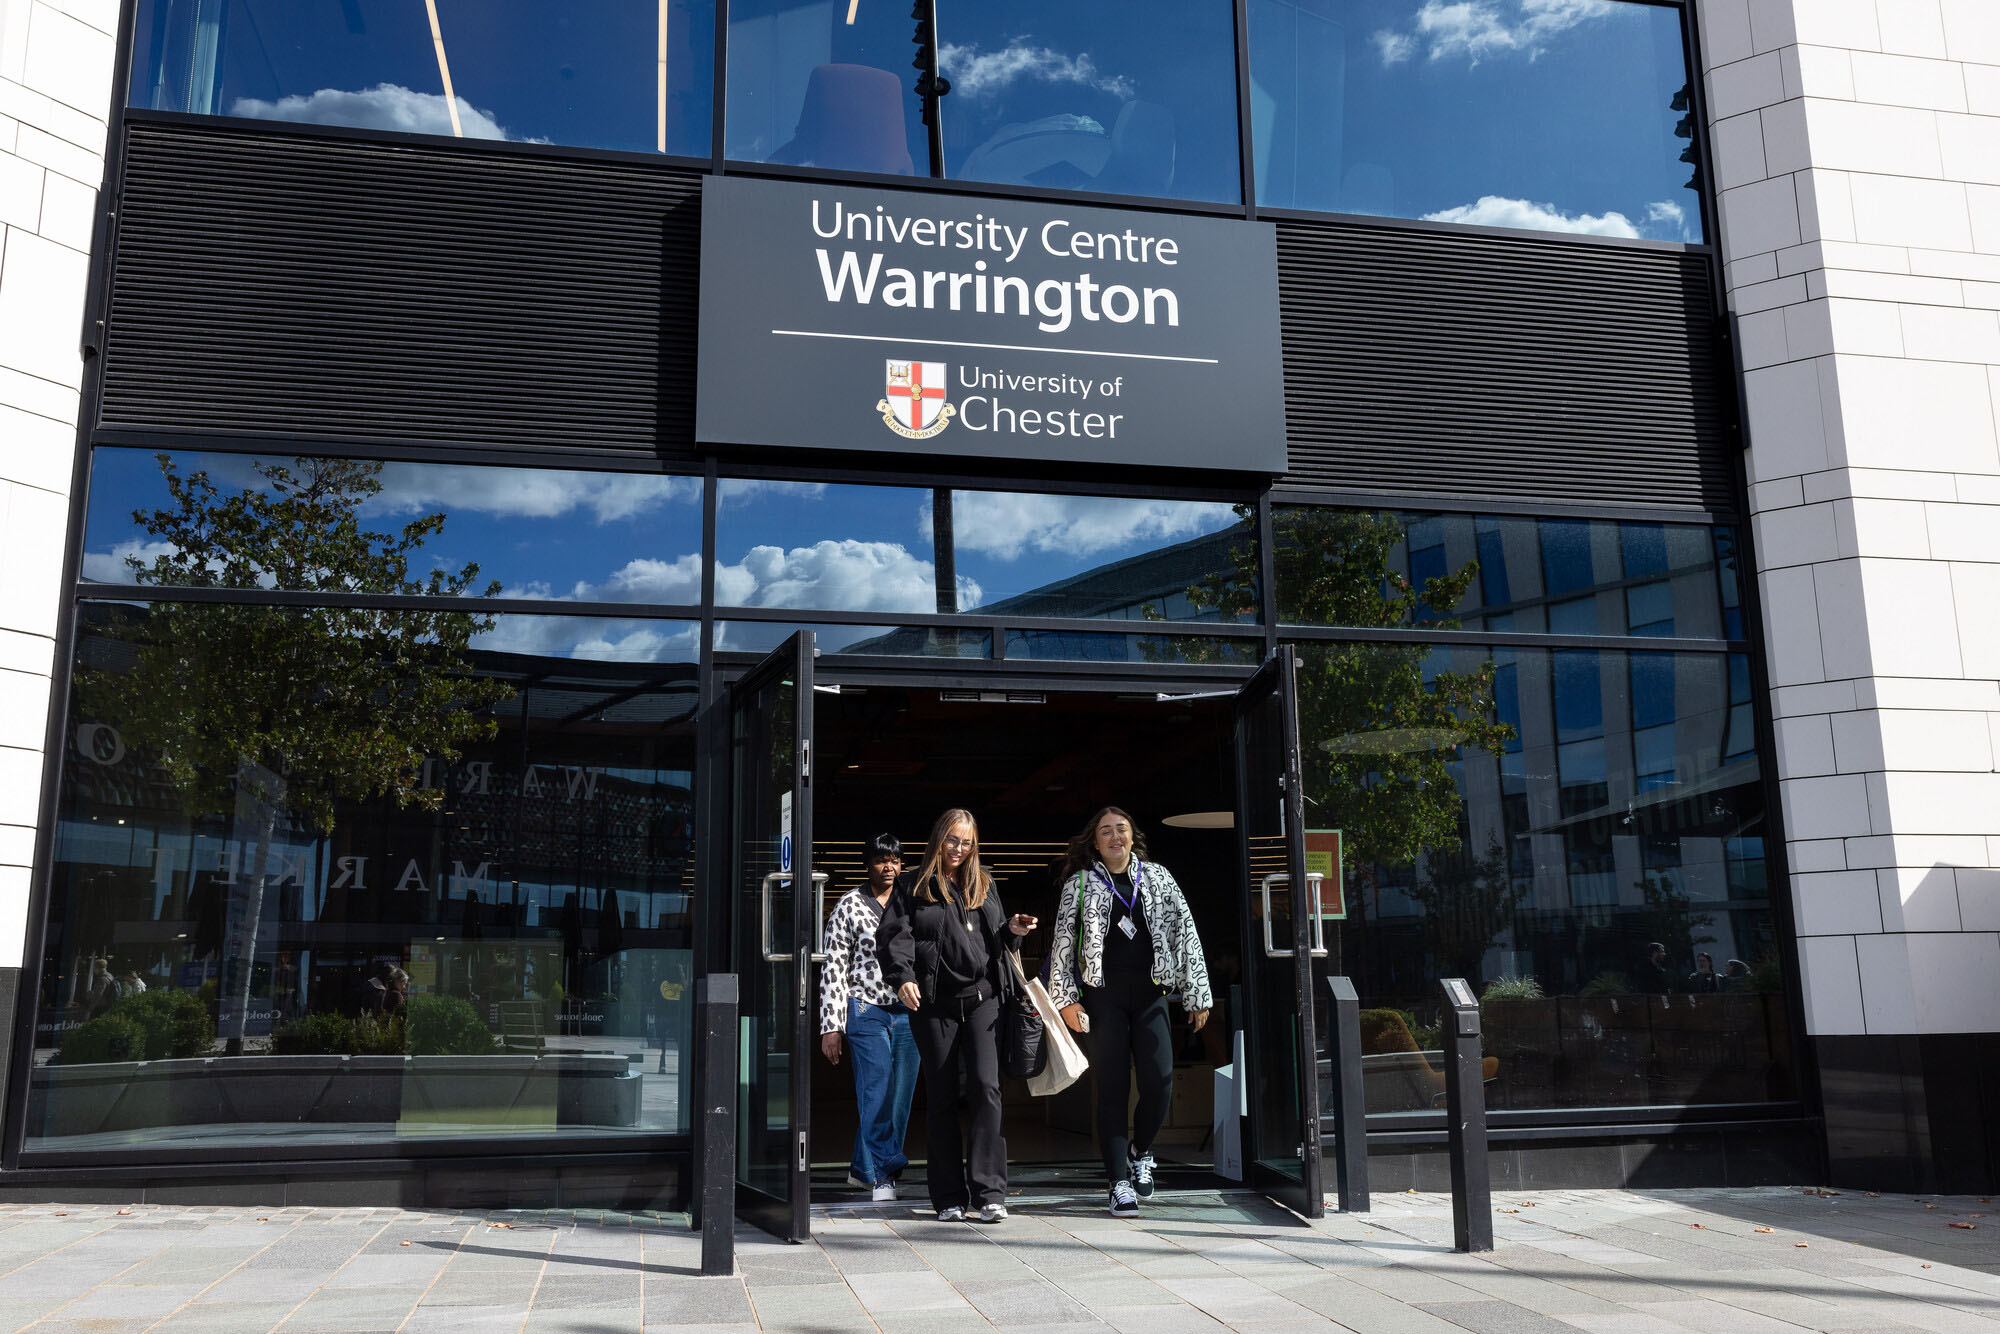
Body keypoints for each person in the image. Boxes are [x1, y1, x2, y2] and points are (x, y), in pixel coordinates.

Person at [1047, 806, 1212, 1218]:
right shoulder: (1080, 885)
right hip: (1103, 999)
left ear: (1132, 836)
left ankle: (1141, 1151)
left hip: (1151, 994)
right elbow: (1063, 945)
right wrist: (1066, 1000)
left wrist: (1198, 993)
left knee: (1160, 1083)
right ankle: (1117, 1180)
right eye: (1106, 832)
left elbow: (1185, 932)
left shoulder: (1157, 878)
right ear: (1096, 841)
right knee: (1114, 1089)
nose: (1115, 837)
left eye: (1121, 829)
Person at [878, 809, 1036, 1224]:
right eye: (952, 840)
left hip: (983, 999)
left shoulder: (983, 883)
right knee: (943, 1096)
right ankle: (948, 1196)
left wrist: (1014, 930)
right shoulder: (913, 884)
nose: (958, 850)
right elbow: (895, 936)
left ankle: (990, 1193)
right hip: (933, 1004)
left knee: (987, 1088)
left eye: (966, 843)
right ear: (938, 839)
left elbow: (997, 938)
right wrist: (902, 979)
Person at [818, 834, 918, 1203]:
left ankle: (863, 1169)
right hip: (865, 1007)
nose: (888, 866)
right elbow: (833, 969)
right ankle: (884, 1172)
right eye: (880, 860)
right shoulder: (848, 905)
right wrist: (831, 1026)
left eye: (894, 859)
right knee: (877, 1090)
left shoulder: (911, 901)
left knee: (900, 1097)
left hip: (910, 1009)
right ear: (868, 864)